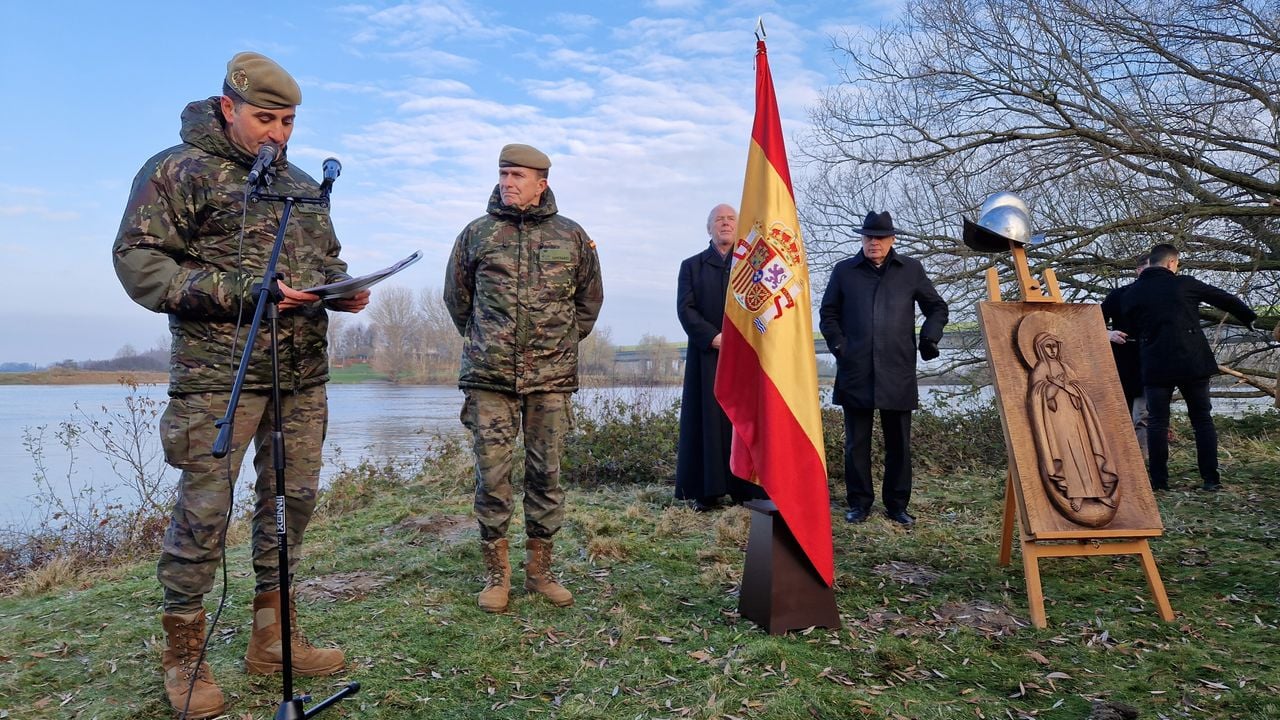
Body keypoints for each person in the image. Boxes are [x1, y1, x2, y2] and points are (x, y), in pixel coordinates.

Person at [113, 52, 368, 719]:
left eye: (287, 122)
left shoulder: (305, 183)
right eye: (265, 118)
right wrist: (235, 292)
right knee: (202, 515)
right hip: (217, 380)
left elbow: (324, 261)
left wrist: (341, 292)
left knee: (293, 504)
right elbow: (140, 265)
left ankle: (272, 641)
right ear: (228, 107)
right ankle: (185, 659)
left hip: (301, 374)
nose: (278, 134)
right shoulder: (176, 170)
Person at [444, 143, 604, 614]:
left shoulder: (572, 236)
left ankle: (541, 570)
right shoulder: (477, 234)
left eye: (517, 175)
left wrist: (557, 343)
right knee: (491, 477)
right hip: (489, 378)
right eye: (503, 174)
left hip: (550, 379)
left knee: (546, 474)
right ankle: (497, 573)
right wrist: (486, 341)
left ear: (542, 182)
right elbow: (458, 300)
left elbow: (589, 301)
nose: (507, 182)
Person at [819, 211, 948, 526]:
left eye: (879, 237)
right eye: (868, 237)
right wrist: (841, 347)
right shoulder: (844, 271)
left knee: (899, 443)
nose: (873, 242)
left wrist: (929, 337)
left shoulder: (911, 270)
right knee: (856, 443)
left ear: (892, 240)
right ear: (862, 239)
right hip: (855, 367)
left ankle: (896, 505)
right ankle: (859, 504)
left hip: (897, 366)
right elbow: (828, 313)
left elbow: (937, 307)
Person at [1118, 243, 1256, 491]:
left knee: (1157, 422)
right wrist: (1249, 319)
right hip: (1192, 360)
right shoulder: (1185, 284)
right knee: (1202, 419)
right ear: (1172, 263)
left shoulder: (1131, 293)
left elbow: (1127, 324)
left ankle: (1160, 482)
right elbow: (1224, 299)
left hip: (1154, 362)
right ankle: (1210, 480)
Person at [674, 204, 768, 511]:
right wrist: (714, 338)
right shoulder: (692, 266)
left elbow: (765, 306)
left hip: (746, 359)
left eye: (730, 219)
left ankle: (747, 489)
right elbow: (685, 309)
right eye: (719, 219)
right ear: (709, 228)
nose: (725, 223)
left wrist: (752, 339)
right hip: (708, 357)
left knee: (744, 422)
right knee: (708, 422)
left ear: (738, 227)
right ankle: (708, 492)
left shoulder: (754, 266)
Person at [1101, 253, 1151, 460]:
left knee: (1145, 415)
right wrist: (1108, 334)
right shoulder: (1118, 295)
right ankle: (1121, 460)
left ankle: (1144, 461)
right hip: (1121, 361)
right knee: (1119, 414)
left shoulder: (1164, 295)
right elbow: (1091, 322)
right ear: (1138, 270)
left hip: (1151, 360)